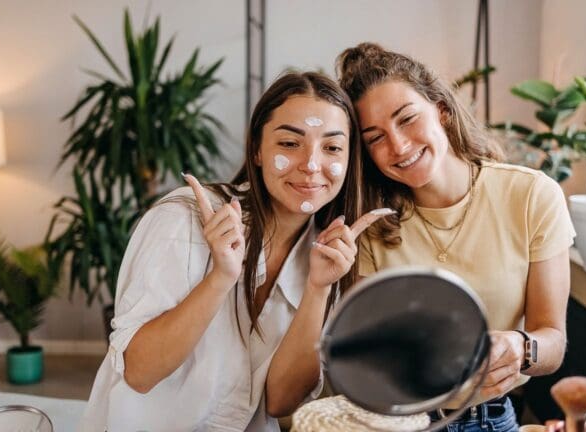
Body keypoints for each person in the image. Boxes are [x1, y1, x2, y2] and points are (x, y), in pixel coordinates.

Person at [80, 71, 392, 431]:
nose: (311, 164)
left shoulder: (331, 254)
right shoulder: (183, 220)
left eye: (332, 147)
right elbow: (139, 373)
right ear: (258, 150)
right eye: (290, 143)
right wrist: (220, 278)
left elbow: (281, 401)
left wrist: (318, 289)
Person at [335, 43, 575, 432]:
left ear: (441, 111)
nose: (398, 145)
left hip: (490, 419)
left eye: (407, 118)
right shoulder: (369, 224)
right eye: (375, 137)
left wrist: (520, 347)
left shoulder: (532, 196)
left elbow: (553, 344)